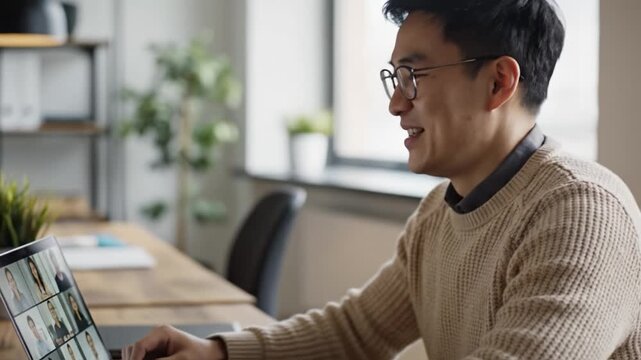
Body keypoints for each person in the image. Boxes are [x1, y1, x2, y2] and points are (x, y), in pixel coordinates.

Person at [123, 0, 641, 359]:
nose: (396, 103)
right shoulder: (441, 209)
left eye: (414, 76)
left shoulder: (581, 212)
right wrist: (216, 352)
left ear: (499, 82)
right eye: (395, 77)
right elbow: (357, 333)